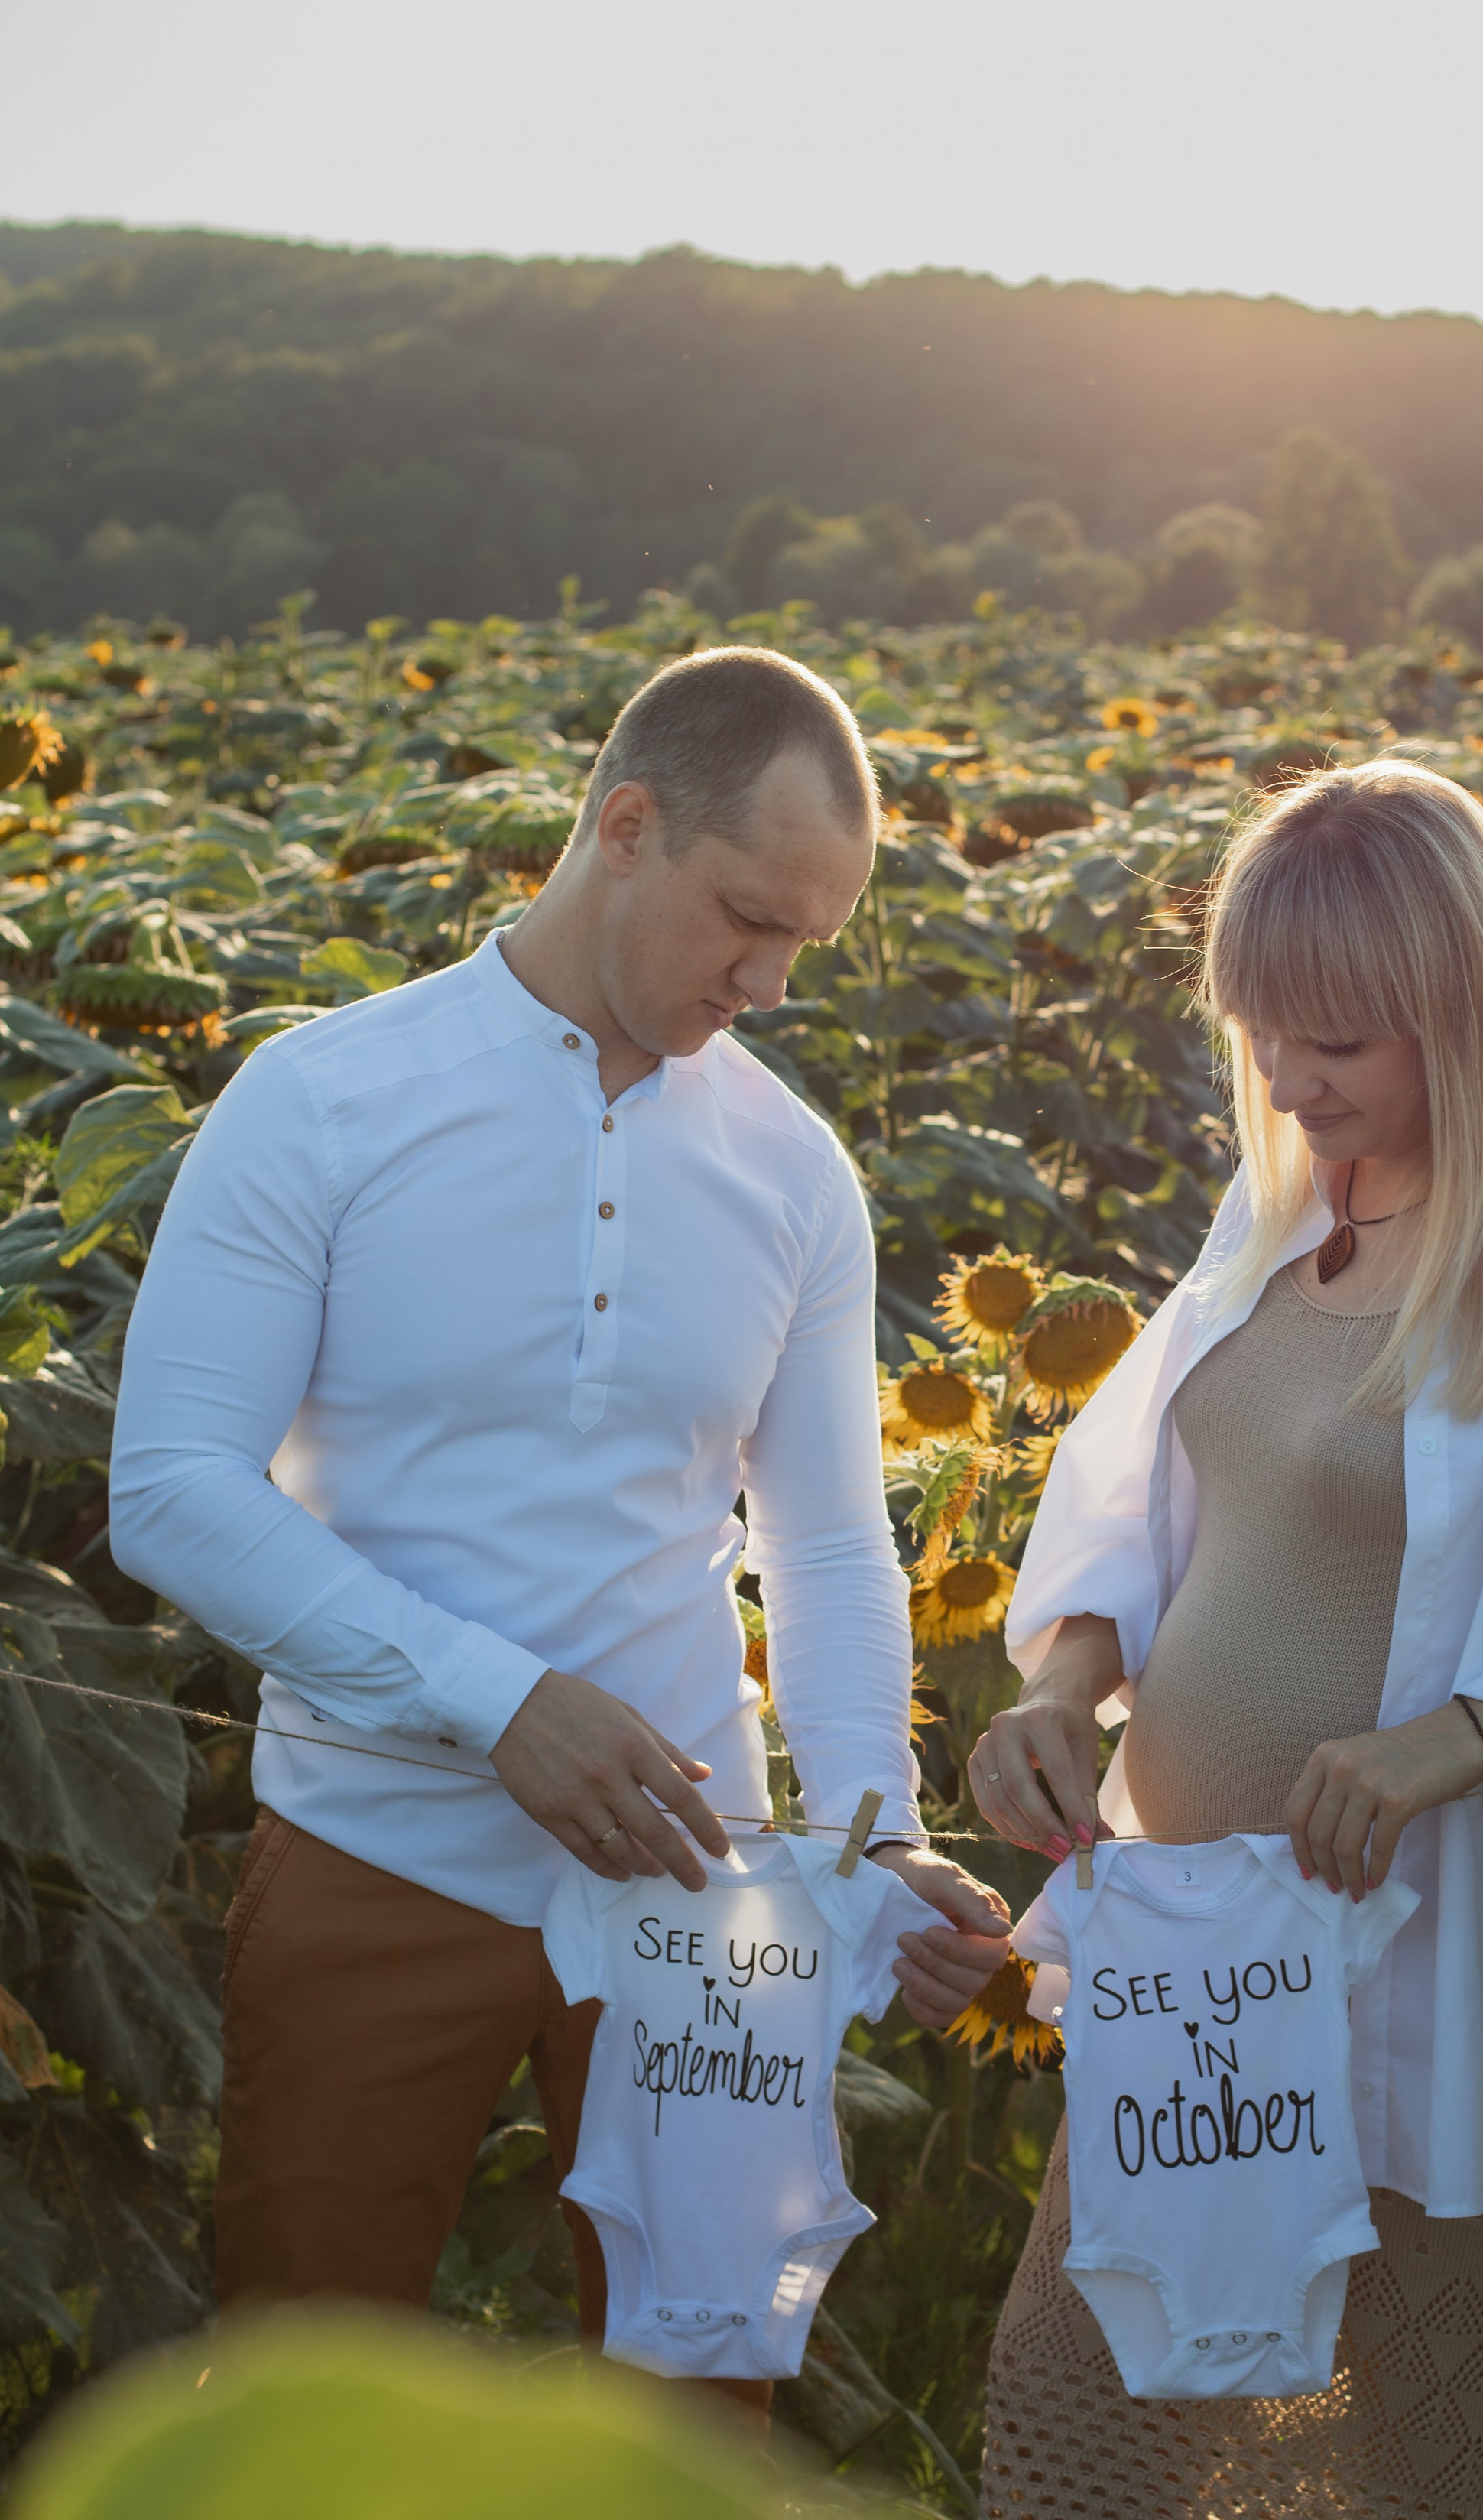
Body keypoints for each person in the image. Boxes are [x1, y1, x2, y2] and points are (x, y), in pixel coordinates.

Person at [110, 645, 1011, 2419]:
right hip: (381, 1851)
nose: (767, 982)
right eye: (747, 920)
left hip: (701, 1884)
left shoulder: (793, 1173)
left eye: (806, 948)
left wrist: (867, 1839)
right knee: (307, 2381)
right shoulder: (323, 1101)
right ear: (625, 826)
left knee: (704, 2403)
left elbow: (825, 1545)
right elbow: (172, 1489)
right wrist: (497, 1701)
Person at [965, 758, 1483, 2520]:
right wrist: (1070, 1683)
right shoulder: (1286, 1215)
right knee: (1095, 2422)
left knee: (1411, 2508)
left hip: (1422, 1986)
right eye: (1260, 1037)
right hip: (1196, 1984)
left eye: (1332, 1042)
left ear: (1462, 1013)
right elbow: (1142, 1497)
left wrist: (1463, 1734)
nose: (1287, 1085)